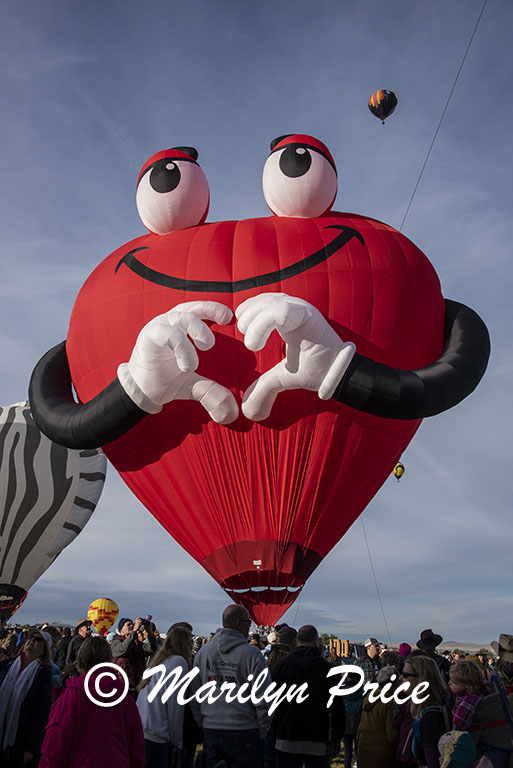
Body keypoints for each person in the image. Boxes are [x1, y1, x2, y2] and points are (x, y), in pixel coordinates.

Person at [40, 635, 145, 767]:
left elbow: (55, 746)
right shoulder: (126, 699)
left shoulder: (73, 695)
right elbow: (137, 748)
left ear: (81, 659)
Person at [189, 604, 271, 768]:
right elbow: (264, 697)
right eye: (248, 621)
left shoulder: (204, 652)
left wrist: (203, 721)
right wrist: (262, 730)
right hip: (244, 731)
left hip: (212, 729)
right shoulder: (252, 654)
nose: (250, 625)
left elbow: (194, 694)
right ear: (237, 623)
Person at [271, 624, 345, 768]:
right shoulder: (328, 670)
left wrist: (275, 732)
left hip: (287, 738)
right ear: (317, 641)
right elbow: (338, 709)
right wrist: (335, 739)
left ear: (297, 641)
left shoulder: (282, 667)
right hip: (317, 739)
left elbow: (272, 703)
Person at [137, 624, 194, 768]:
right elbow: (175, 706)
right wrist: (177, 742)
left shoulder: (159, 661)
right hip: (157, 736)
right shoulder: (179, 663)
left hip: (141, 731)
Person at [0, 628, 53, 767]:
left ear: (44, 649)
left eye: (37, 640)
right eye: (30, 637)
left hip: (19, 738)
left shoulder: (43, 676)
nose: (31, 641)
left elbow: (40, 714)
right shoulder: (8, 665)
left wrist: (31, 747)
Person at [403, 654, 451, 768]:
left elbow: (433, 761)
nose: (401, 678)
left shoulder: (431, 717)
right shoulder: (433, 708)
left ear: (421, 679)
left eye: (405, 675)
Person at [356, 665, 399, 768]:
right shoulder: (389, 702)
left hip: (364, 748)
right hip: (382, 753)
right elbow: (391, 734)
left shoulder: (369, 698)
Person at [111, 617, 157, 696]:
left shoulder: (136, 644)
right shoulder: (116, 642)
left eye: (132, 624)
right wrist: (135, 631)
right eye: (128, 625)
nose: (131, 626)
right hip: (122, 687)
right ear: (121, 629)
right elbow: (124, 649)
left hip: (137, 686)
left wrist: (149, 631)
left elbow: (151, 649)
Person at [449, 660, 488, 730]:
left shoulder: (469, 700)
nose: (449, 683)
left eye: (454, 682)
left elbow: (457, 724)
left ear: (467, 684)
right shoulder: (478, 693)